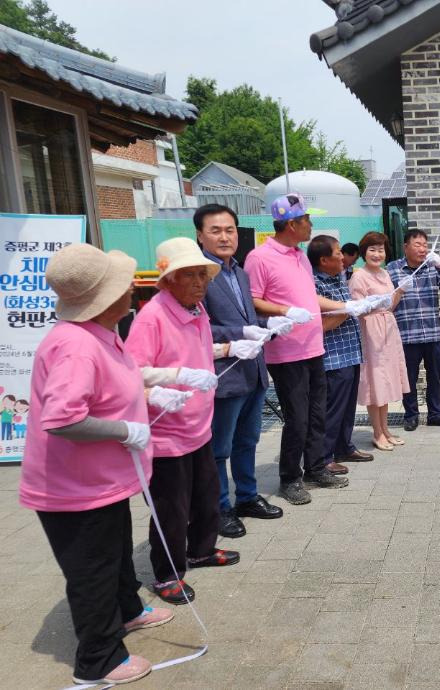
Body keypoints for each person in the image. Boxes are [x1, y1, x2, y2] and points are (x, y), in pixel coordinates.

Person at [20, 244, 188, 685]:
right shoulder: (75, 345)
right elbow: (63, 419)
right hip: (72, 489)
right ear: (103, 299)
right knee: (91, 572)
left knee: (115, 555)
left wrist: (161, 387)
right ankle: (98, 660)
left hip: (102, 480)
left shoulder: (101, 331)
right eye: (124, 286)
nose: (133, 291)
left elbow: (124, 374)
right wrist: (123, 430)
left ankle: (128, 611)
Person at [126, 237, 250, 604]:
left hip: (198, 425)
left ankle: (201, 550)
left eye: (203, 275)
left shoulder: (195, 310)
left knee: (206, 496)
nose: (199, 282)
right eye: (190, 275)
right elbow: (133, 371)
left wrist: (227, 349)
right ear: (168, 279)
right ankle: (167, 573)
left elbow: (197, 351)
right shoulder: (153, 317)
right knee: (171, 508)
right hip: (167, 430)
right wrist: (170, 380)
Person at [245, 194, 372, 504]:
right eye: (307, 221)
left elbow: (311, 299)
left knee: (317, 413)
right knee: (297, 417)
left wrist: (347, 305)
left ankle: (316, 466)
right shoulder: (260, 257)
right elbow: (253, 300)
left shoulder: (299, 255)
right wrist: (285, 311)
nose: (311, 226)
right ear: (291, 224)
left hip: (314, 346)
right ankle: (290, 478)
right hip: (287, 352)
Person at [197, 203, 289, 539]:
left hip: (253, 368)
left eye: (230, 229)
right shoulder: (198, 274)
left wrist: (271, 323)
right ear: (200, 235)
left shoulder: (239, 271)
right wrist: (240, 334)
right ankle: (220, 507)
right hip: (223, 371)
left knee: (248, 440)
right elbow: (198, 328)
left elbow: (247, 320)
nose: (224, 236)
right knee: (219, 447)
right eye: (215, 230)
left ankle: (247, 497)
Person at [307, 234, 375, 471]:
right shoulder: (314, 285)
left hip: (351, 351)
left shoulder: (339, 278)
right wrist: (349, 310)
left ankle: (344, 446)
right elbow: (321, 326)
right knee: (333, 408)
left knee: (347, 406)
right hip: (333, 356)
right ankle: (324, 458)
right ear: (324, 260)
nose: (342, 257)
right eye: (337, 253)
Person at [387, 229, 440, 431]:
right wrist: (399, 289)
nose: (422, 249)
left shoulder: (431, 267)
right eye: (417, 245)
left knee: (435, 376)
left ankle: (436, 413)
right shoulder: (393, 269)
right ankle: (411, 415)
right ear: (405, 247)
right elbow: (386, 301)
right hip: (407, 335)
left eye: (425, 245)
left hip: (433, 333)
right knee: (408, 378)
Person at [351, 232, 411, 450]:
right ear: (364, 251)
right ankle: (377, 433)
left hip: (388, 329)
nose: (377, 254)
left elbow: (390, 305)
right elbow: (357, 309)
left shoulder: (385, 274)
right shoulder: (359, 276)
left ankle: (385, 429)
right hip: (370, 330)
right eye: (372, 249)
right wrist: (371, 302)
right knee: (375, 381)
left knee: (385, 381)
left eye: (381, 249)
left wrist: (401, 290)